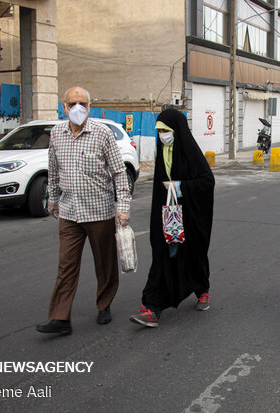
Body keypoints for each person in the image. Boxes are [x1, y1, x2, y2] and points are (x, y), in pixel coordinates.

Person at [36, 86, 131, 335]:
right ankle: (60, 318)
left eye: (83, 103)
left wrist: (122, 207)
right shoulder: (57, 133)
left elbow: (119, 172)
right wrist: (53, 200)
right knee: (65, 266)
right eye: (72, 103)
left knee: (105, 264)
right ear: (64, 107)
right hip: (68, 212)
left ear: (90, 107)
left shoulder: (102, 133)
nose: (77, 108)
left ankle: (104, 304)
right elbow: (53, 169)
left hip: (99, 211)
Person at [129, 108, 215, 328]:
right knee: (162, 255)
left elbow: (207, 181)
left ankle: (201, 290)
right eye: (159, 131)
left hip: (192, 215)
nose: (162, 135)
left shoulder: (190, 151)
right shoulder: (162, 150)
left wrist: (179, 186)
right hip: (168, 214)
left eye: (166, 130)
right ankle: (152, 306)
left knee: (194, 255)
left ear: (177, 130)